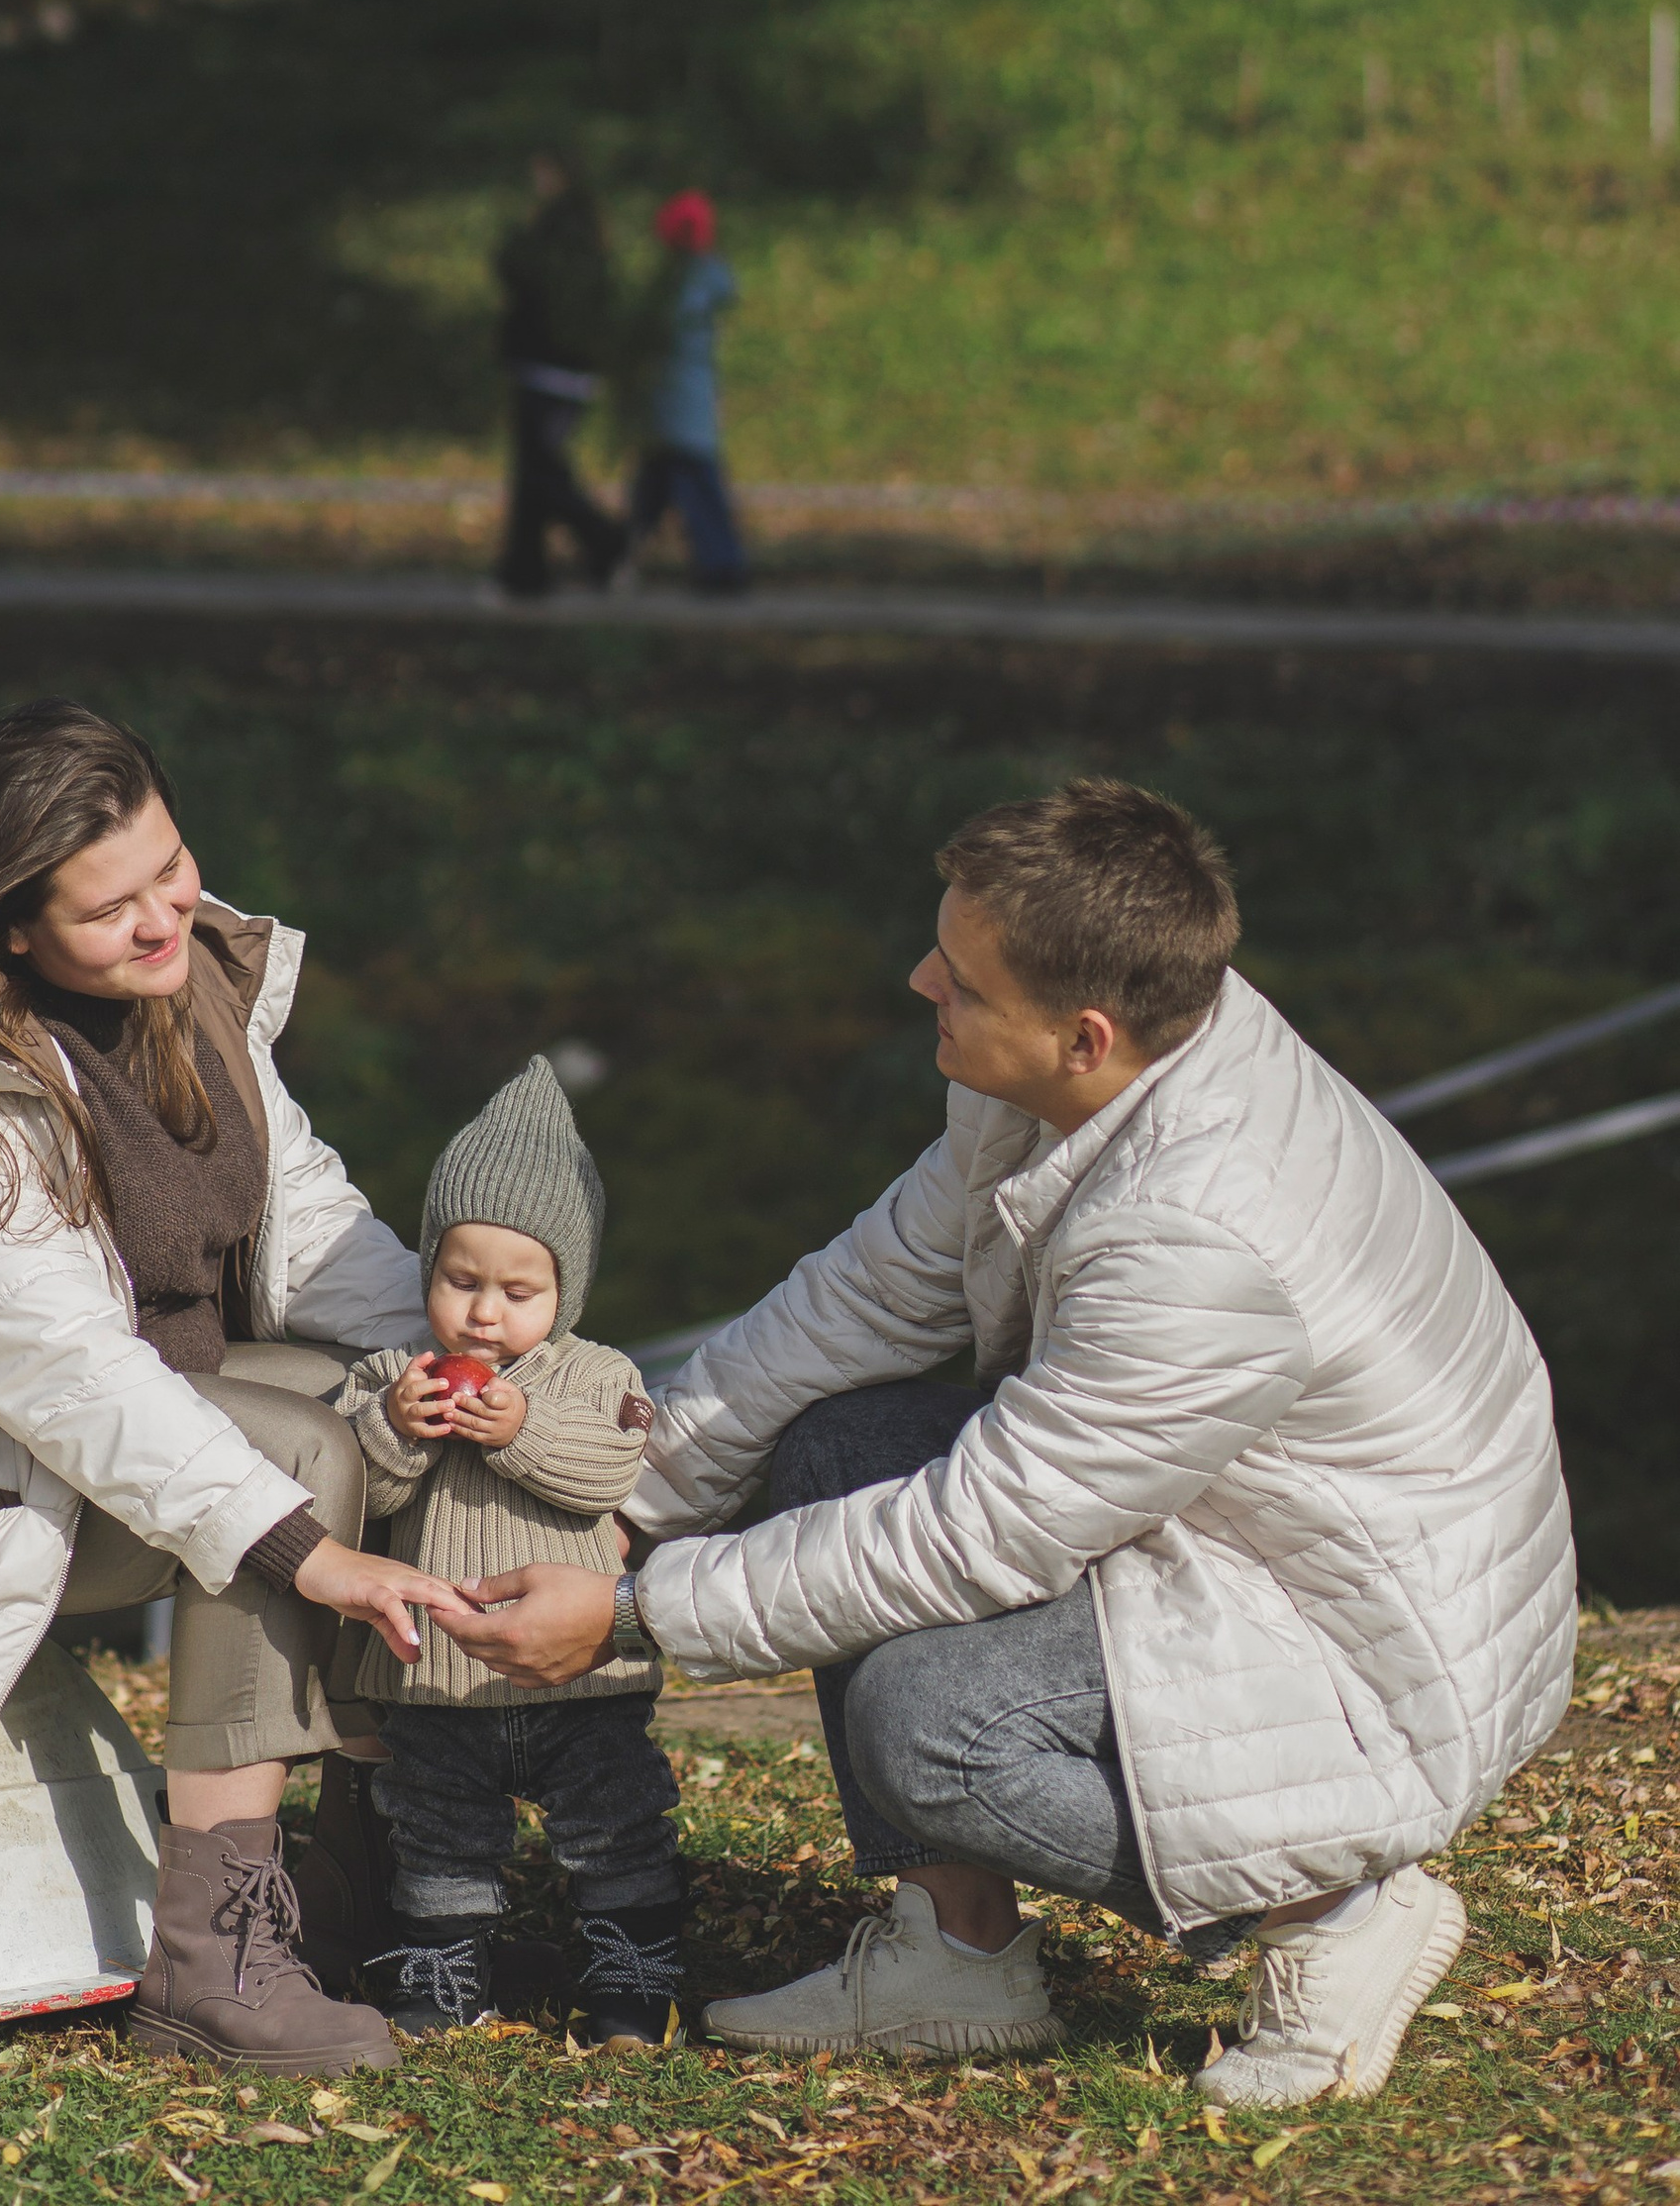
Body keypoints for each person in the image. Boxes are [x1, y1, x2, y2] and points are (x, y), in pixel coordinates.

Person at [443, 778, 1575, 2113]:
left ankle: (1339, 1909)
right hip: (1234, 1518)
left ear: (1083, 1033)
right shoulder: (1083, 1077)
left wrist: (634, 1619)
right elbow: (887, 1284)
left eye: (962, 982)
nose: (923, 978)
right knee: (838, 1440)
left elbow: (981, 1533)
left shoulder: (1193, 1236)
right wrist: (642, 1494)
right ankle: (957, 1959)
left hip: (1370, 1632)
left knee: (934, 1733)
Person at [0, 698, 479, 2080]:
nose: (168, 916)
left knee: (380, 1408)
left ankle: (356, 1883)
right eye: (114, 908)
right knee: (291, 1468)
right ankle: (211, 1962)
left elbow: (296, 1203)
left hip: (130, 1397)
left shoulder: (182, 979)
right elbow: (57, 1371)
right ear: (9, 927)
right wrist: (318, 1558)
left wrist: (459, 1367)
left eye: (171, 867)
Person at [334, 1059, 686, 2046]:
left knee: (616, 1825)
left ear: (567, 1288)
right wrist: (398, 1426)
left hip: (585, 1678)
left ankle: (630, 1969)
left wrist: (518, 1428)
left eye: (518, 1290)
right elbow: (364, 1493)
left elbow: (607, 1473)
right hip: (437, 1677)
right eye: (461, 1280)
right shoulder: (392, 1373)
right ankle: (444, 1971)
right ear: (428, 1269)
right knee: (439, 1835)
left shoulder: (593, 1373)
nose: (484, 1314)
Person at [493, 149, 628, 599]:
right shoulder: (583, 229)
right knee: (534, 467)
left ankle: (605, 539)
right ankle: (523, 567)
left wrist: (518, 236)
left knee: (543, 471)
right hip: (561, 366)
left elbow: (523, 272)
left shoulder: (558, 228)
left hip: (552, 366)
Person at [625, 189, 747, 593]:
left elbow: (659, 332)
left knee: (688, 488)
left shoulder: (686, 281)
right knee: (660, 487)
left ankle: (720, 565)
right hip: (679, 408)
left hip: (679, 408)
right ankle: (619, 555)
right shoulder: (700, 277)